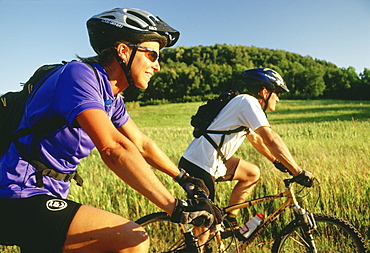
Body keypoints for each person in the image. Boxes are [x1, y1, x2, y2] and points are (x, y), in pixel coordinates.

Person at [0, 8, 217, 253]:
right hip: (16, 193)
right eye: (152, 55)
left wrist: (183, 178)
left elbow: (141, 144)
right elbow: (113, 148)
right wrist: (174, 206)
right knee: (132, 241)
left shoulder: (111, 98)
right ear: (124, 51)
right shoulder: (78, 75)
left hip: (49, 195)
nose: (157, 66)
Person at [179, 68, 315, 246]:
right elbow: (270, 138)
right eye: (277, 93)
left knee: (252, 172)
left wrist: (276, 161)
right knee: (204, 226)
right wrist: (297, 171)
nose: (278, 99)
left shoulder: (246, 105)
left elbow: (256, 140)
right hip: (199, 163)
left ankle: (230, 220)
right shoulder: (248, 102)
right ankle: (198, 247)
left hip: (211, 161)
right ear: (265, 92)